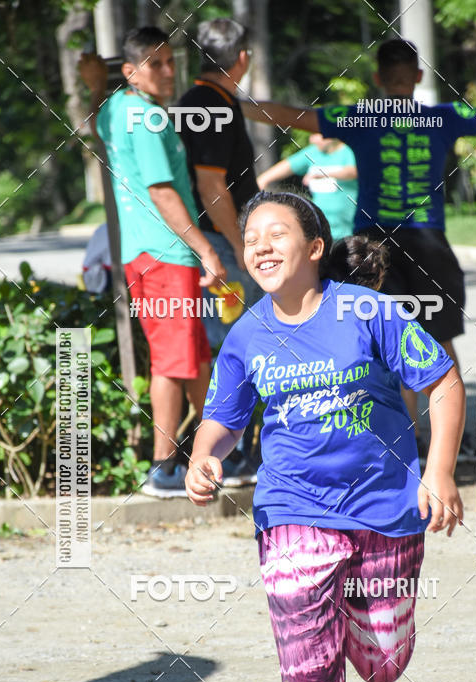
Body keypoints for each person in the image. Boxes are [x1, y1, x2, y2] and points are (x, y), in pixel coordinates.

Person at [185, 190, 465, 682]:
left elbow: (443, 380)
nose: (259, 245)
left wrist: (442, 473)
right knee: (305, 671)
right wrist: (203, 453)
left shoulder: (367, 311)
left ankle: (355, 625)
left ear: (315, 248)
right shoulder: (248, 333)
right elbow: (225, 415)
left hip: (388, 515)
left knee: (383, 662)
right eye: (251, 236)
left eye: (277, 232)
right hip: (292, 512)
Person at [240, 39, 476, 460]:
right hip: (427, 241)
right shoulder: (443, 118)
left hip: (371, 246)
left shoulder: (358, 119)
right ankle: (451, 443)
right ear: (419, 76)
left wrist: (236, 103)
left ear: (379, 79)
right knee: (438, 341)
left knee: (383, 345)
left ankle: (407, 441)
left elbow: (295, 116)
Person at [78, 27, 226, 498]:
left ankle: (218, 451)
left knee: (195, 355)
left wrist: (95, 87)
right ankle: (163, 468)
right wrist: (206, 249)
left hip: (145, 254)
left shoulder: (119, 107)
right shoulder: (147, 119)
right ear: (132, 70)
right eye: (156, 64)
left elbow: (95, 120)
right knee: (173, 360)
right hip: (165, 253)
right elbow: (162, 192)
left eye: (170, 62)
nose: (168, 71)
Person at [177, 17, 263, 484]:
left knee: (229, 344)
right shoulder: (211, 104)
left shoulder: (205, 101)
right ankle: (225, 457)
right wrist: (240, 244)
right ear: (242, 58)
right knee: (232, 346)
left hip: (215, 244)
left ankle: (229, 453)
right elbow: (212, 185)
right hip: (221, 247)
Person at [257, 133, 358, 239]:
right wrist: (264, 179)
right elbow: (288, 165)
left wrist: (322, 173)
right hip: (321, 228)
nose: (312, 139)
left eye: (316, 135)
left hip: (348, 228)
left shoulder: (348, 150)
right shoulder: (313, 152)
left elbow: (353, 171)